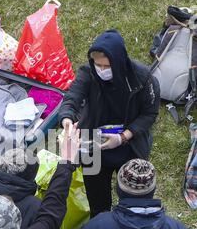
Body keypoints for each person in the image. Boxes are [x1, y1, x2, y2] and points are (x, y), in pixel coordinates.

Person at [58, 29, 160, 218]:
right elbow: (71, 98)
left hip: (130, 146)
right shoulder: (88, 73)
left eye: (107, 66)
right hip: (93, 145)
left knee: (133, 202)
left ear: (119, 62)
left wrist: (123, 137)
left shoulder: (143, 79)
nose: (102, 70)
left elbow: (149, 114)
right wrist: (66, 120)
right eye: (98, 65)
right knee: (97, 202)